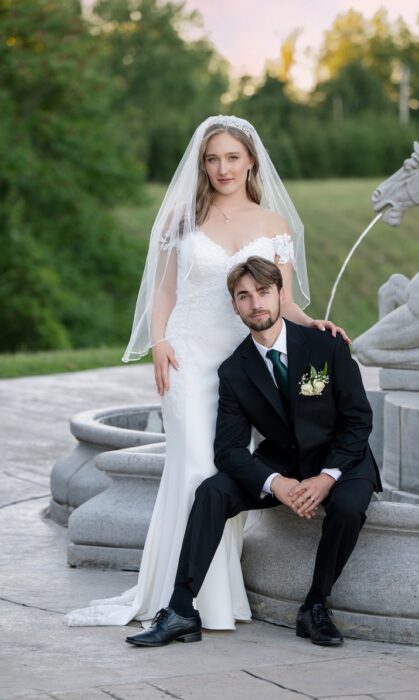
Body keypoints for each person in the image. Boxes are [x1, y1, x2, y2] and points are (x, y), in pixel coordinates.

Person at [65, 115, 348, 629]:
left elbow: (280, 302)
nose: (222, 168)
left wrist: (314, 324)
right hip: (189, 358)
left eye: (232, 157)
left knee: (227, 471)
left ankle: (219, 597)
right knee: (196, 467)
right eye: (212, 158)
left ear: (250, 161)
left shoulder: (272, 225)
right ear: (202, 163)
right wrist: (159, 340)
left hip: (246, 371)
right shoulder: (182, 216)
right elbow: (165, 289)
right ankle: (183, 602)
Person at [126, 256, 382, 647]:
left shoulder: (325, 345)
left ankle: (315, 606)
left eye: (263, 292)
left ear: (281, 294)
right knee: (212, 491)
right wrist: (275, 483)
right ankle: (180, 609)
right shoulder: (234, 370)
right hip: (282, 460)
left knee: (348, 506)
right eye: (244, 297)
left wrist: (325, 478)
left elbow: (358, 421)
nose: (255, 303)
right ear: (235, 306)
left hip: (342, 458)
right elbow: (227, 449)